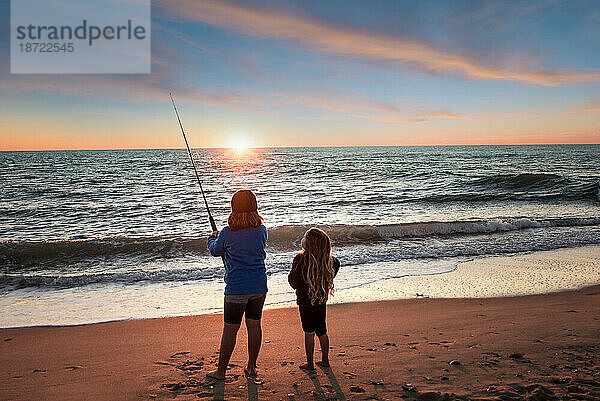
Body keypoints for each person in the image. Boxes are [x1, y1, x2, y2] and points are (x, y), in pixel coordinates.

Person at [206, 189, 268, 380]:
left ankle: (221, 371)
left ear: (233, 208)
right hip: (258, 286)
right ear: (255, 206)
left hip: (236, 288)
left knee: (231, 329)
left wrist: (211, 239)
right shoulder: (262, 230)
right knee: (254, 325)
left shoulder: (227, 233)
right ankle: (251, 367)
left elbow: (215, 251)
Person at [288, 227, 340, 370]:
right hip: (321, 300)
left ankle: (310, 364)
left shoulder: (300, 259)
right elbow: (332, 273)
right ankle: (325, 360)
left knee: (309, 332)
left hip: (305, 302)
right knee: (322, 331)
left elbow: (293, 282)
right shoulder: (331, 262)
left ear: (307, 243)